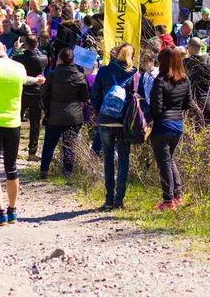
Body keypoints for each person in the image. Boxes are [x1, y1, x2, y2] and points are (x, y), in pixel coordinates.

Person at [0, 40, 45, 226]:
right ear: (4, 49)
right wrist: (36, 80)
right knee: (11, 167)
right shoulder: (19, 67)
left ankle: (0, 212)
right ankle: (13, 211)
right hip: (14, 123)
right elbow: (25, 80)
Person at [90, 44, 138, 210]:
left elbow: (94, 94)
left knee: (108, 158)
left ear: (116, 54)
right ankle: (119, 200)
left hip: (105, 120)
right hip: (124, 123)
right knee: (124, 159)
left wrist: (98, 112)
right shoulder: (135, 73)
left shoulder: (104, 71)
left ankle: (108, 199)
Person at [149, 45, 192, 210]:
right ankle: (177, 195)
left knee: (164, 163)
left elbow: (156, 108)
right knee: (169, 160)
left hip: (162, 126)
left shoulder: (160, 81)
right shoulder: (185, 79)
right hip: (178, 125)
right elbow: (188, 104)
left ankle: (168, 201)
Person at [39, 47, 88, 178]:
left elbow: (43, 93)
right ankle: (68, 172)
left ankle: (44, 171)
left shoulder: (52, 75)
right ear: (73, 60)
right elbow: (84, 97)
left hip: (54, 115)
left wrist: (45, 109)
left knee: (49, 144)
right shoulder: (79, 76)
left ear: (59, 59)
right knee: (70, 145)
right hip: (74, 115)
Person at [13, 35, 48, 161]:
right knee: (34, 123)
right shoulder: (43, 58)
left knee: (16, 121)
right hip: (37, 91)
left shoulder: (19, 58)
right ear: (37, 44)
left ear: (25, 44)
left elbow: (11, 60)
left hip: (22, 91)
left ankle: (12, 149)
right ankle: (32, 152)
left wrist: (17, 49)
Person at [184, 37, 210, 121]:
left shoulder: (187, 63)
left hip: (193, 100)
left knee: (194, 128)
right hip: (209, 99)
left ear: (190, 47)